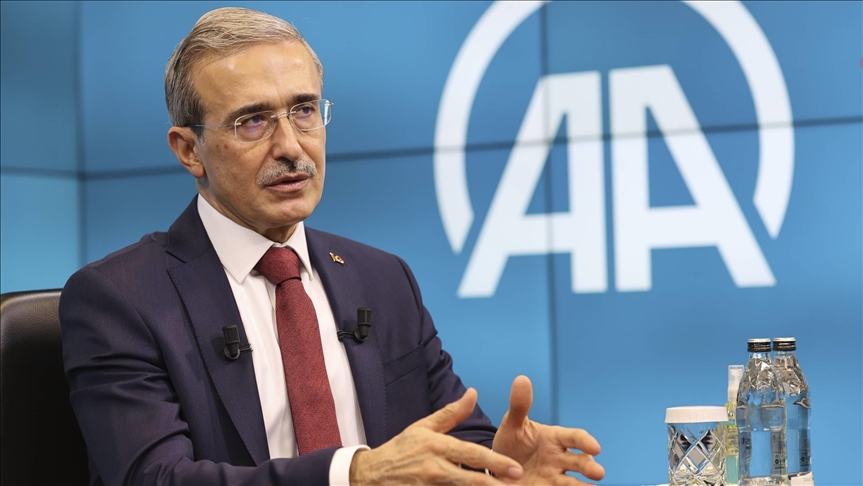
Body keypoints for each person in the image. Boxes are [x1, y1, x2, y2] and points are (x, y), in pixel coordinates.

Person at [59, 7, 605, 485]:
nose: (291, 147)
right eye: (253, 121)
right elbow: (154, 478)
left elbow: (451, 439)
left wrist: (496, 466)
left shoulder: (382, 278)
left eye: (304, 110)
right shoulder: (122, 298)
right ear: (189, 150)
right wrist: (354, 475)